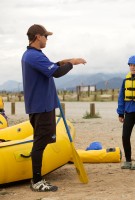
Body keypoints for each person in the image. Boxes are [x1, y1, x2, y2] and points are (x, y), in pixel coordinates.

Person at [21, 24, 86, 192]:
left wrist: (66, 61)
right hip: (40, 106)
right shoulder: (33, 56)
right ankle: (36, 180)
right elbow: (56, 73)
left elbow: (53, 67)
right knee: (40, 142)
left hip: (43, 105)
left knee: (41, 141)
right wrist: (71, 63)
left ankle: (36, 177)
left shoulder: (34, 55)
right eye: (45, 36)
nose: (47, 39)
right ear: (37, 36)